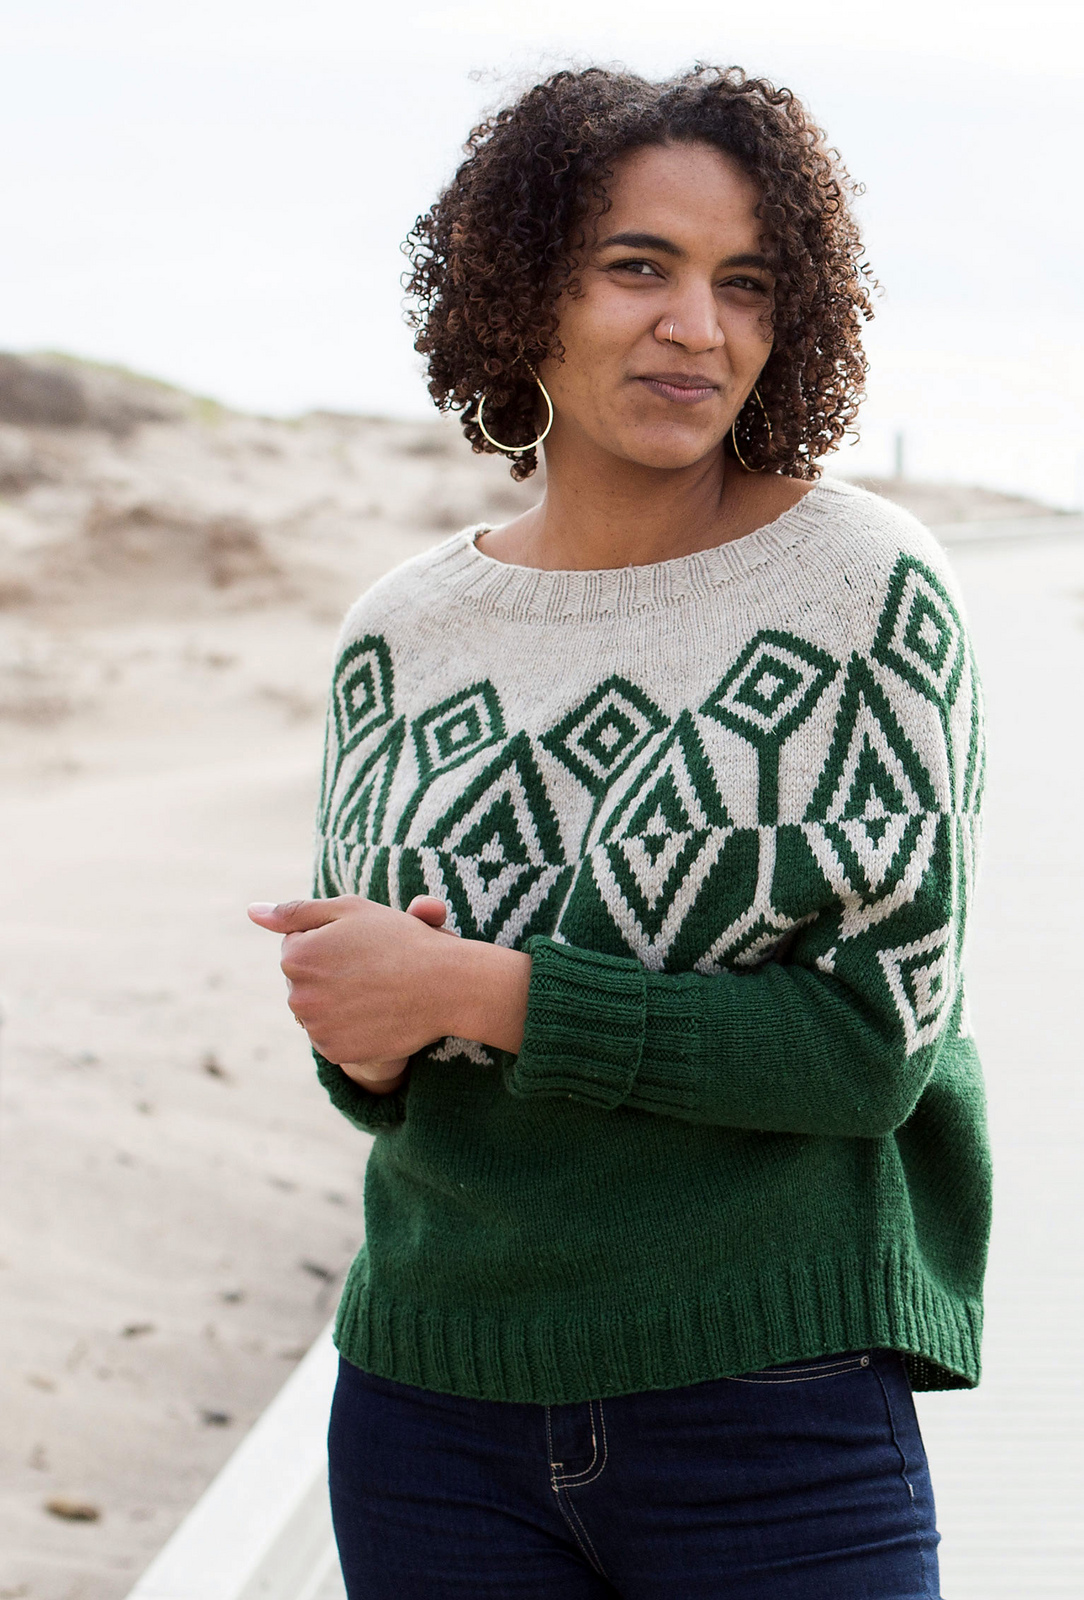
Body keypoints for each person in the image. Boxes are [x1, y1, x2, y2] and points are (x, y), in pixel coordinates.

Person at [248, 64, 989, 1600]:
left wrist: (478, 991)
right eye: (639, 268)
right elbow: (379, 1077)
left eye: (746, 283)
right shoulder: (402, 632)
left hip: (773, 1404)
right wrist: (360, 1024)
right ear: (522, 290)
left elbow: (872, 1049)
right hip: (429, 1412)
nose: (697, 327)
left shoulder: (860, 590)